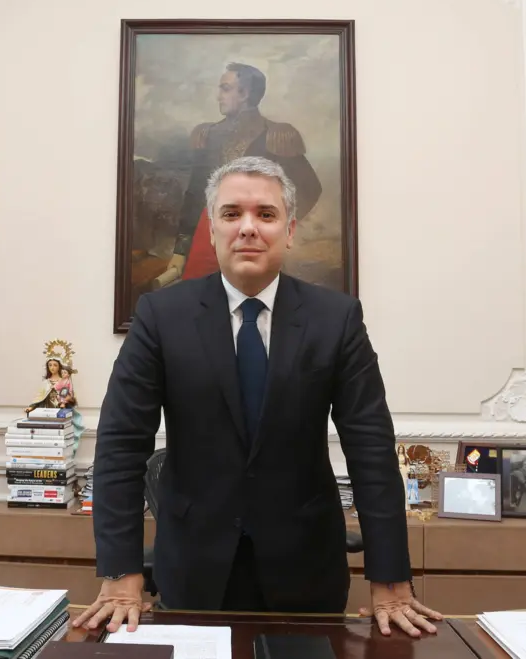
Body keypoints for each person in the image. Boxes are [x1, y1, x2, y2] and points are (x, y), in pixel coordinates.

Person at [75, 156, 439, 638]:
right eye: (231, 214)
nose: (248, 227)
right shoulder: (161, 316)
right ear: (212, 230)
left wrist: (390, 579)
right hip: (193, 569)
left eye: (266, 214)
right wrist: (121, 574)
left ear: (289, 231)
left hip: (307, 572)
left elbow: (370, 449)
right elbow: (122, 445)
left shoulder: (337, 319)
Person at [153, 62, 322, 288]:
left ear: (245, 94)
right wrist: (181, 251)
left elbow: (310, 189)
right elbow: (195, 196)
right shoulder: (207, 135)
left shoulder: (276, 136)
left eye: (225, 89)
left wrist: (274, 225)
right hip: (208, 241)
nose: (218, 96)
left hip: (257, 243)